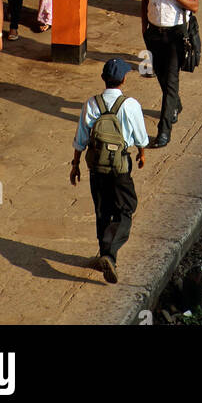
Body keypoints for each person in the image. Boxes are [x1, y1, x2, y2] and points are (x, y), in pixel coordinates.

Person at [70, 57, 148, 282]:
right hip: (120, 167)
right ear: (123, 79)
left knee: (102, 209)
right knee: (125, 208)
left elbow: (81, 139)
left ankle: (106, 254)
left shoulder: (90, 103)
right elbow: (141, 137)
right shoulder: (130, 105)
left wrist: (75, 165)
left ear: (104, 79)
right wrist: (142, 154)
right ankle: (110, 252)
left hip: (97, 167)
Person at [140, 0, 199, 149]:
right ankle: (176, 104)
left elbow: (195, 6)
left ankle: (164, 132)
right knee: (161, 75)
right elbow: (144, 2)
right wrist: (144, 30)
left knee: (171, 81)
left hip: (176, 35)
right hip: (154, 33)